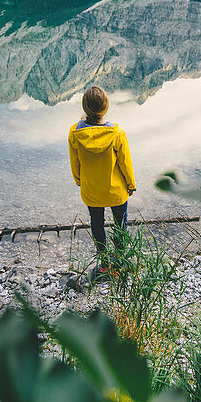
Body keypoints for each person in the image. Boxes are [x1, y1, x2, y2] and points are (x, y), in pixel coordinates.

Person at [68, 86, 136, 275]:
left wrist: (79, 181)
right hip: (116, 191)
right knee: (120, 225)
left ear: (85, 107)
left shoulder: (75, 132)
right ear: (105, 107)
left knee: (96, 224)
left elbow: (75, 163)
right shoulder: (116, 132)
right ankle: (120, 263)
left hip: (91, 191)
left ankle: (104, 264)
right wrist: (131, 185)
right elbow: (126, 163)